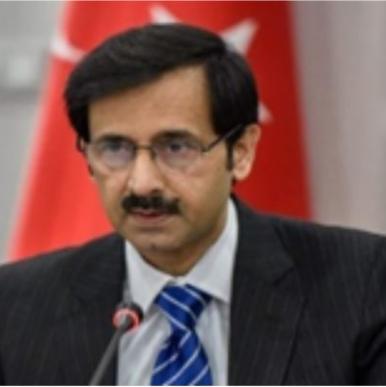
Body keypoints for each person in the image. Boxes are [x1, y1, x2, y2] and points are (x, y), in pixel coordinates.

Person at [0, 23, 385, 386]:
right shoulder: (16, 308)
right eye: (115, 148)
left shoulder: (362, 285)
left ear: (242, 151)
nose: (143, 182)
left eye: (176, 147)